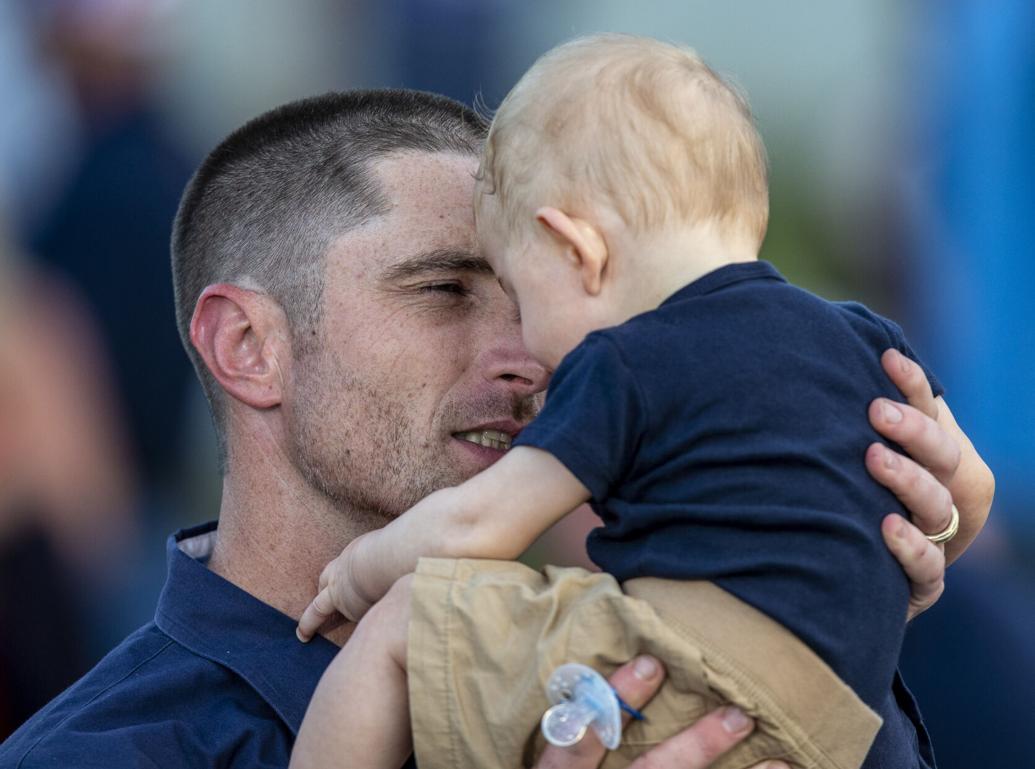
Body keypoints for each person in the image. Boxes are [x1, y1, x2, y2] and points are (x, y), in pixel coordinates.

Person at [0, 89, 992, 769]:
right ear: (247, 345)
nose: (531, 353)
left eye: (536, 295)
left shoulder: (663, 653)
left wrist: (876, 557)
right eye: (444, 290)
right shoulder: (93, 755)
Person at [293, 39, 993, 769]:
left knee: (410, 620)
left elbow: (480, 522)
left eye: (519, 295)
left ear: (576, 251)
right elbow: (962, 498)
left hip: (682, 680)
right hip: (839, 728)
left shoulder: (624, 358)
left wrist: (360, 570)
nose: (528, 352)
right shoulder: (860, 335)